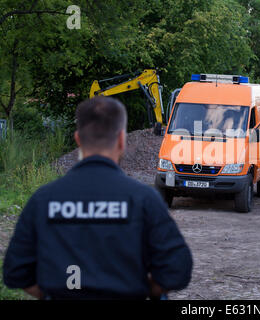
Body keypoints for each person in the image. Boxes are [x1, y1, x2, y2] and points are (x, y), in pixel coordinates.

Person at [3, 97, 193, 299]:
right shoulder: (144, 199)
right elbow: (177, 270)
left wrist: (53, 295)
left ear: (78, 139)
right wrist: (145, 290)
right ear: (121, 140)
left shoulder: (43, 199)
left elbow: (16, 272)